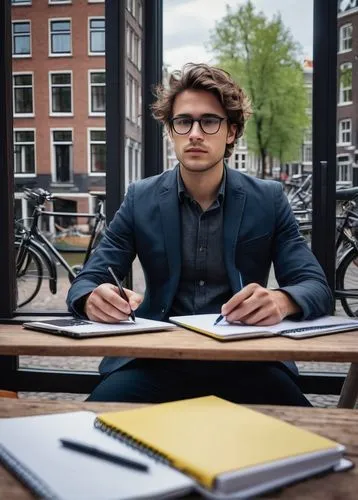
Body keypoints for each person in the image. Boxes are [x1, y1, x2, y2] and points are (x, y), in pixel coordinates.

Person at [67, 63, 333, 405]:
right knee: (92, 427)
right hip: (155, 361)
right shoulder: (140, 197)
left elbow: (316, 287)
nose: (195, 133)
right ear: (171, 131)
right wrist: (92, 298)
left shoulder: (267, 198)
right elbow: (86, 280)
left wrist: (281, 300)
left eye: (209, 121)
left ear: (232, 132)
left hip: (248, 362)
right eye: (183, 121)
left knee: (312, 440)